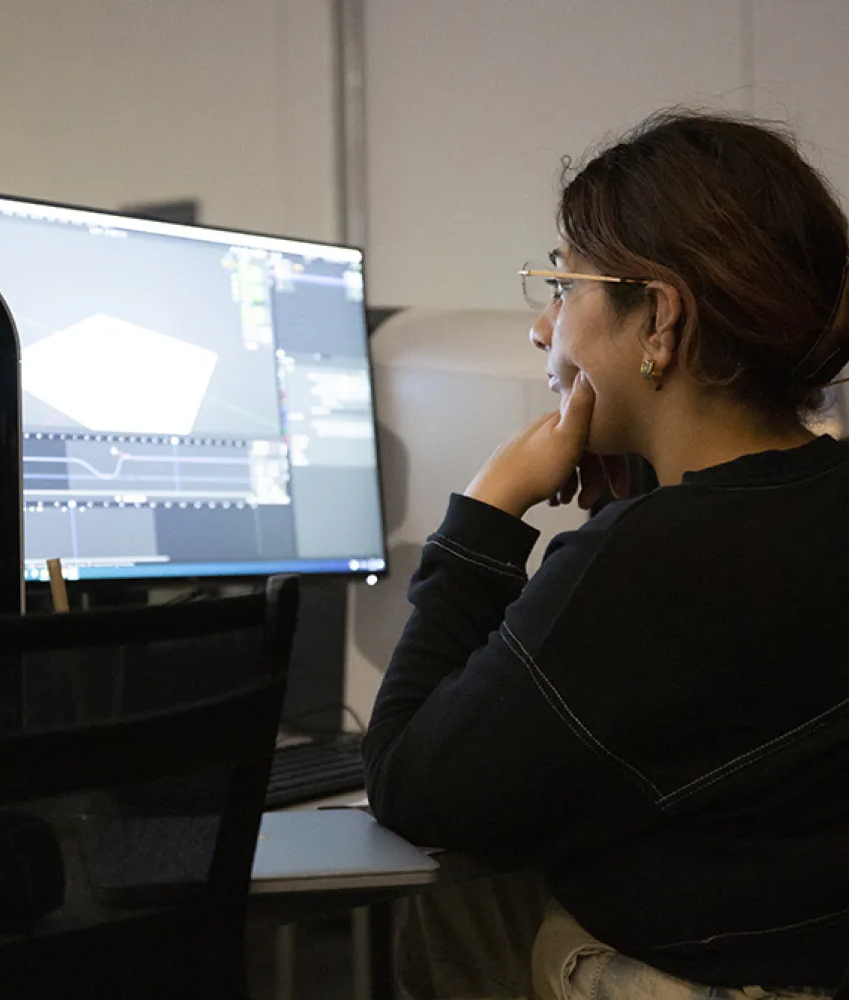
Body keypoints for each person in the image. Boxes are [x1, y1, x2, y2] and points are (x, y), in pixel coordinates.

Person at [362, 109, 849, 999]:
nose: (543, 330)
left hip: (726, 976)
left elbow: (407, 782)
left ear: (659, 320)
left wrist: (487, 509)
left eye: (563, 286)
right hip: (805, 943)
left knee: (454, 888)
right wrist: (645, 495)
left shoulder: (652, 560)